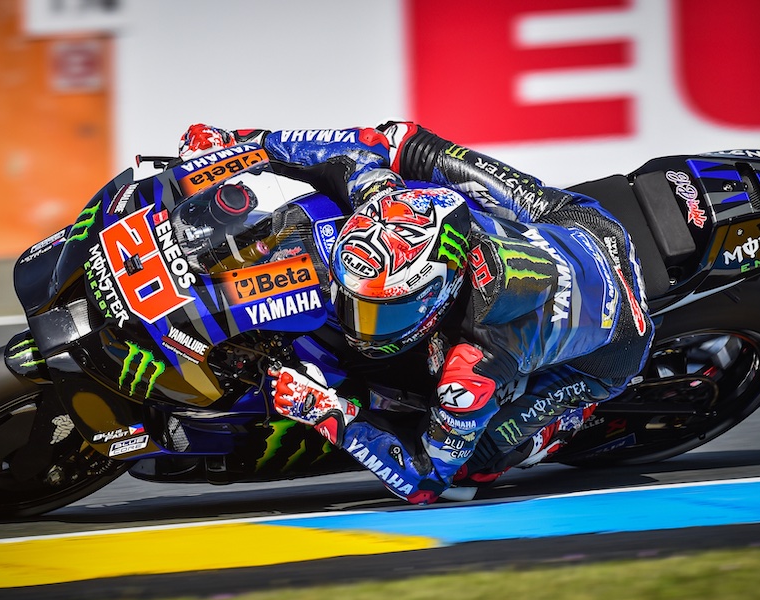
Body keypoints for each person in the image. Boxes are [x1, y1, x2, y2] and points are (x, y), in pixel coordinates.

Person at [177, 121, 654, 504]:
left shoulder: (471, 368)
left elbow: (425, 479)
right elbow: (357, 146)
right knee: (404, 142)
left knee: (470, 469)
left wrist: (328, 411)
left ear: (434, 298)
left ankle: (569, 419)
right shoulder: (381, 197)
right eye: (355, 302)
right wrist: (237, 145)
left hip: (616, 341)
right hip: (583, 223)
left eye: (378, 312)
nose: (357, 323)